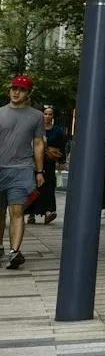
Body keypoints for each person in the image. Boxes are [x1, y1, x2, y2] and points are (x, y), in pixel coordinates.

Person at [0, 75, 46, 271]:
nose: (16, 92)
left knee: (16, 210)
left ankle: (14, 251)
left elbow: (38, 143)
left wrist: (39, 171)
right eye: (14, 88)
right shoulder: (0, 113)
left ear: (28, 93)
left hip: (22, 169)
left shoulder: (36, 116)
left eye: (21, 89)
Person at [26, 104, 64, 226]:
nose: (47, 116)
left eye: (50, 114)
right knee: (34, 187)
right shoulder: (36, 129)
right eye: (45, 113)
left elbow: (61, 146)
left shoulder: (57, 131)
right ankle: (31, 214)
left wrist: (61, 161)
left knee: (48, 186)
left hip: (49, 162)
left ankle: (48, 211)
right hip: (35, 161)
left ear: (53, 116)